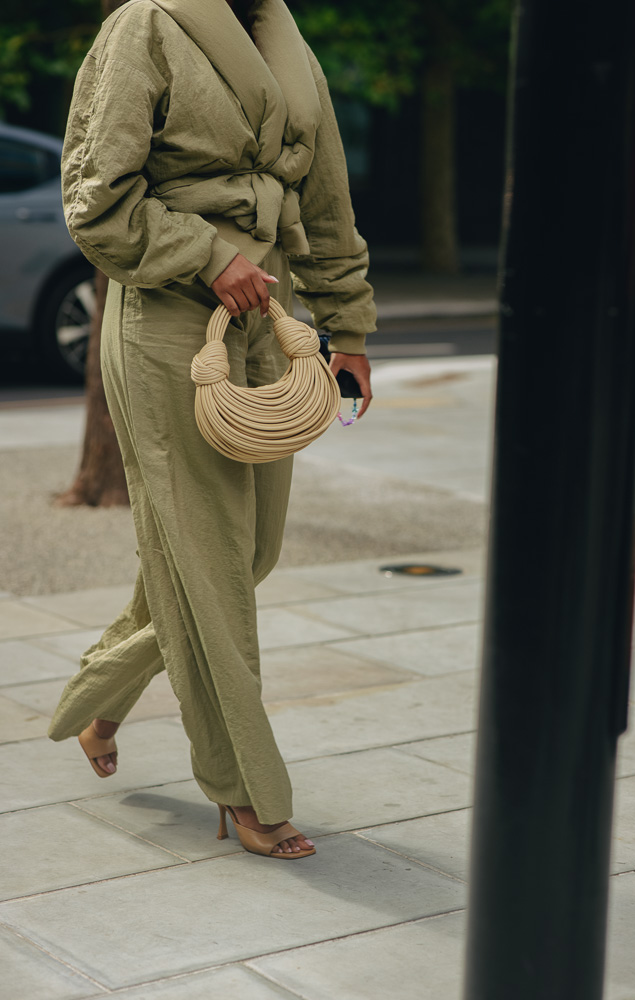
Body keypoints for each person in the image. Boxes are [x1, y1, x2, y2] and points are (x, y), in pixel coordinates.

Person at [47, 0, 376, 860]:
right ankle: (246, 792)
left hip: (269, 319)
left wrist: (350, 331)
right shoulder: (144, 27)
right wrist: (204, 253)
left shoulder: (286, 35)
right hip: (163, 321)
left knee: (249, 552)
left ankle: (101, 693)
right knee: (211, 566)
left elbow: (327, 199)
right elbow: (94, 200)